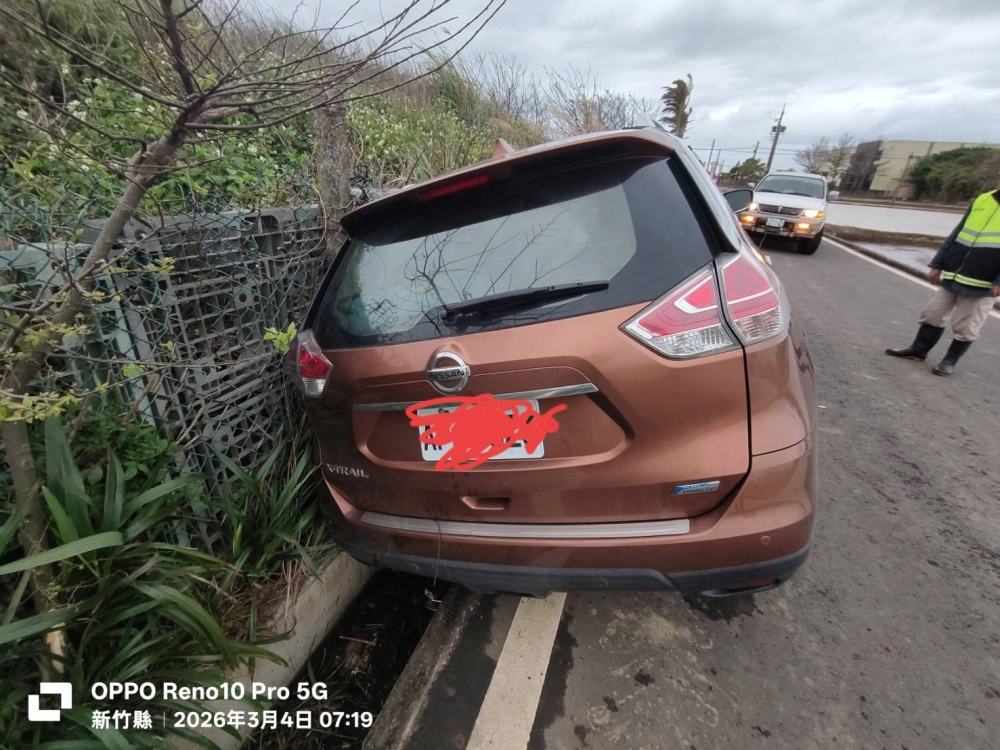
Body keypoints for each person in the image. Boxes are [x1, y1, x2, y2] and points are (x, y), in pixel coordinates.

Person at [886, 186, 1000, 375]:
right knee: (932, 314)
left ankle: (949, 361)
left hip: (983, 282)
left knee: (966, 325)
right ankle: (918, 350)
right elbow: (957, 233)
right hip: (955, 272)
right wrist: (937, 263)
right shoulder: (983, 199)